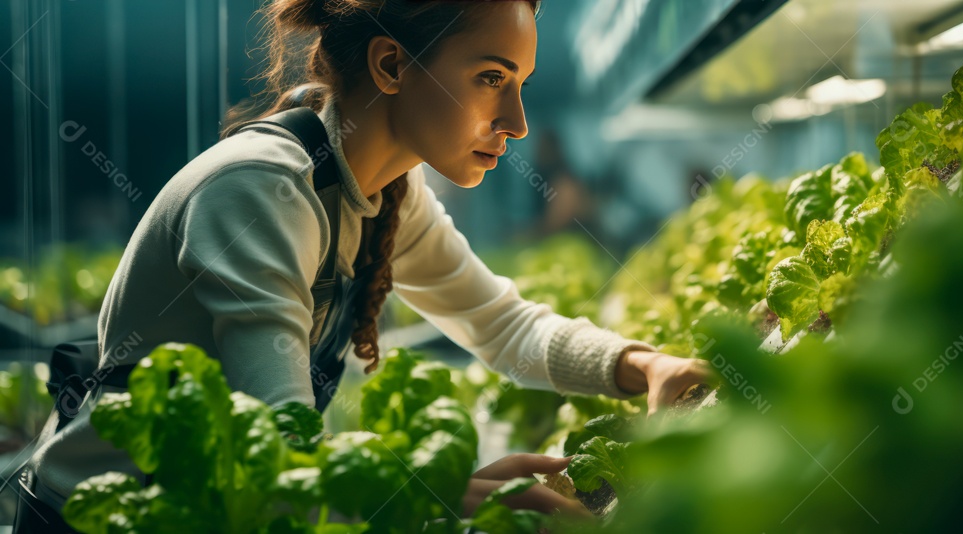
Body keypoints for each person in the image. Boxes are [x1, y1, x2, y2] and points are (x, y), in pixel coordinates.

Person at [22, 0, 709, 528]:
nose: (517, 120)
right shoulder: (260, 191)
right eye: (491, 78)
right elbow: (280, 436)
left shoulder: (385, 195)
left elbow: (501, 325)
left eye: (520, 82)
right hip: (103, 520)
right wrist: (425, 490)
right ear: (390, 66)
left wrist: (643, 365)